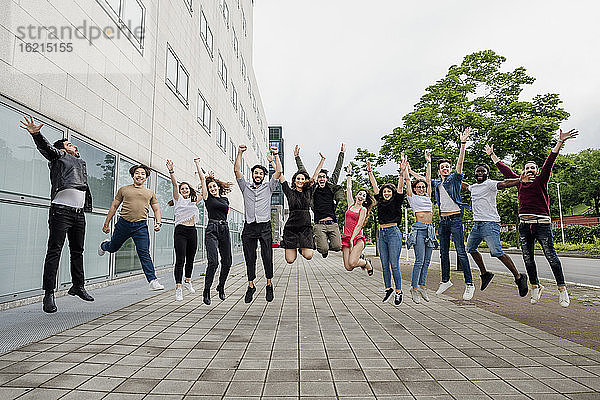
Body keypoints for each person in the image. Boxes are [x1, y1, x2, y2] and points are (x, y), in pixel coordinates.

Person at [489, 128, 578, 307]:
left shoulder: (541, 180)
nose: (530, 170)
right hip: (524, 225)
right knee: (528, 258)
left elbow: (550, 161)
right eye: (527, 168)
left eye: (532, 168)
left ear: (536, 171)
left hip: (541, 224)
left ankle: (562, 289)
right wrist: (492, 155)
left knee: (551, 256)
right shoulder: (520, 182)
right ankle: (535, 286)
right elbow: (505, 171)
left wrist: (560, 142)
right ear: (523, 171)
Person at [19, 115, 94, 313]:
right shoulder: (59, 157)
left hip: (79, 214)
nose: (74, 147)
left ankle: (78, 286)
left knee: (78, 251)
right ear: (62, 148)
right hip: (61, 212)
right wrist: (37, 135)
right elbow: (47, 150)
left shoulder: (81, 163)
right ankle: (49, 294)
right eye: (70, 144)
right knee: (55, 250)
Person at [461, 157, 529, 297]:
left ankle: (518, 277)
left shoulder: (490, 184)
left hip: (490, 224)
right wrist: (451, 177)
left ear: (487, 174)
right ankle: (485, 274)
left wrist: (519, 180)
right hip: (477, 225)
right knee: (470, 248)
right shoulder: (473, 188)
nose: (480, 173)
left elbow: (504, 183)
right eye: (478, 171)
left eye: (483, 171)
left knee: (496, 252)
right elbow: (465, 186)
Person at [98, 164, 164, 291]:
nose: (140, 175)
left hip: (140, 226)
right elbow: (114, 207)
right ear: (133, 175)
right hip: (123, 224)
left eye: (143, 174)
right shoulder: (124, 189)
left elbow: (156, 209)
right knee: (113, 248)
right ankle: (104, 245)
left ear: (146, 177)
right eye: (137, 173)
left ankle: (153, 280)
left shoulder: (150, 192)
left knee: (144, 253)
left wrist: (158, 222)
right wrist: (106, 223)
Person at [428, 128, 474, 300]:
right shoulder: (436, 183)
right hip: (443, 221)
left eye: (447, 167)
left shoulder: (455, 179)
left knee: (461, 252)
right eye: (443, 167)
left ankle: (469, 283)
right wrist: (408, 171)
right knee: (443, 252)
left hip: (455, 219)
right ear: (439, 170)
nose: (446, 169)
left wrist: (463, 144)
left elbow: (460, 164)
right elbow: (423, 181)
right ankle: (445, 280)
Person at [234, 145, 281, 303]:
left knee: (267, 256)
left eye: (261, 173)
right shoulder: (245, 187)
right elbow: (236, 171)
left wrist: (276, 155)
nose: (258, 175)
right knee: (250, 257)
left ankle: (269, 284)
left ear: (264, 176)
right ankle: (251, 285)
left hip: (265, 227)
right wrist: (240, 153)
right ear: (253, 174)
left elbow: (279, 172)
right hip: (249, 227)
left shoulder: (269, 187)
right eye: (256, 173)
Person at [294, 144, 345, 258]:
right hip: (319, 224)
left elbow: (337, 170)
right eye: (320, 177)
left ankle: (321, 242)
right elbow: (304, 172)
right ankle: (319, 244)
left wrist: (341, 154)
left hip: (332, 224)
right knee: (323, 249)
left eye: (324, 177)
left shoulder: (331, 187)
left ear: (327, 179)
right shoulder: (313, 189)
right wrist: (297, 157)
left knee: (337, 247)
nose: (322, 178)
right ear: (317, 178)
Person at [367, 160, 406, 305]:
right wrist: (370, 171)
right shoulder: (381, 200)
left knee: (394, 264)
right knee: (384, 264)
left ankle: (399, 291)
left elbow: (401, 186)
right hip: (382, 233)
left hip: (393, 232)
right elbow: (374, 186)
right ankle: (388, 288)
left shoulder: (397, 200)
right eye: (385, 191)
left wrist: (402, 172)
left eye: (389, 191)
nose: (387, 193)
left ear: (393, 192)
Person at [197, 161, 233, 305]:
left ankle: (221, 286)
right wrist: (198, 165)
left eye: (213, 186)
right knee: (213, 262)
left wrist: (211, 178)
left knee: (228, 262)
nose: (212, 188)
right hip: (212, 229)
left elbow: (225, 213)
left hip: (224, 229)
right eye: (210, 187)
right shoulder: (207, 198)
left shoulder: (225, 200)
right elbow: (202, 179)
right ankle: (206, 291)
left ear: (218, 187)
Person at [279, 152, 325, 263]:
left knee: (308, 255)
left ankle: (302, 247)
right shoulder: (289, 192)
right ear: (294, 180)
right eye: (298, 179)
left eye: (302, 179)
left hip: (305, 228)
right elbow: (280, 174)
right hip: (291, 228)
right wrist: (274, 158)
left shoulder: (308, 191)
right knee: (290, 260)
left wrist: (322, 160)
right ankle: (298, 246)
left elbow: (315, 175)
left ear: (305, 181)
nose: (300, 181)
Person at [404, 151, 438, 304]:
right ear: (415, 188)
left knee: (427, 261)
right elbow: (407, 180)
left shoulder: (428, 196)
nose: (422, 188)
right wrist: (406, 169)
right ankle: (414, 288)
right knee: (419, 260)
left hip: (430, 230)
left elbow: (429, 180)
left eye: (423, 187)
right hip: (419, 229)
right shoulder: (412, 198)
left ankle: (423, 286)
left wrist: (428, 162)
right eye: (418, 187)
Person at [166, 159, 202, 302]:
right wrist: (171, 171)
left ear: (190, 190)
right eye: (183, 189)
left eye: (186, 188)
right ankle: (178, 288)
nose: (184, 190)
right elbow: (174, 184)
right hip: (180, 231)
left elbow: (204, 190)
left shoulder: (194, 201)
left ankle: (187, 281)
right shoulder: (178, 199)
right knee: (180, 259)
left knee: (191, 259)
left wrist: (200, 169)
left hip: (192, 231)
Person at [341, 164, 374, 274]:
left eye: (363, 196)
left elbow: (359, 225)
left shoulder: (363, 209)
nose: (361, 196)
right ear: (356, 196)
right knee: (348, 267)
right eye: (360, 194)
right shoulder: (350, 205)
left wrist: (352, 239)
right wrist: (349, 174)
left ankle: (366, 263)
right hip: (346, 237)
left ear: (364, 200)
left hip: (357, 238)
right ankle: (362, 261)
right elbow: (348, 188)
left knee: (353, 262)